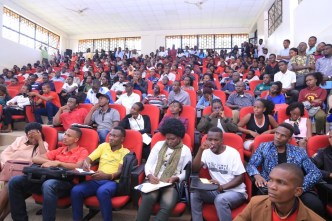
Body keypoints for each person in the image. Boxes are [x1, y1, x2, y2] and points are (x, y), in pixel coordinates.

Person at [8, 127, 89, 221]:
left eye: (68, 135)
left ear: (76, 139)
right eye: (65, 134)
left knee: (49, 184)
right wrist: (51, 162)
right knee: (15, 181)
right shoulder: (60, 150)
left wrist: (58, 163)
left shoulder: (82, 151)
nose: (64, 137)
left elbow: (78, 166)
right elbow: (36, 159)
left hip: (67, 183)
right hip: (47, 179)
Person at [246, 123, 325, 217]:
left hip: (296, 189)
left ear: (289, 139)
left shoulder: (298, 152)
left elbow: (315, 173)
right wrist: (257, 175)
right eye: (276, 133)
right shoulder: (264, 147)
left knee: (315, 205)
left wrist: (296, 188)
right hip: (271, 187)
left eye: (282, 135)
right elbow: (251, 165)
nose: (278, 137)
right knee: (262, 209)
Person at [136, 118, 192, 221]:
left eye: (173, 139)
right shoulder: (158, 145)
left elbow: (186, 172)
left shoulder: (186, 150)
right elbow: (148, 164)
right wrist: (149, 175)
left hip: (171, 183)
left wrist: (176, 178)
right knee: (147, 200)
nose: (169, 141)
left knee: (167, 205)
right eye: (167, 138)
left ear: (179, 137)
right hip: (154, 180)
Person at [71, 127, 130, 221]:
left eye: (115, 136)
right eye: (110, 135)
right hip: (97, 179)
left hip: (113, 181)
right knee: (76, 190)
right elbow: (89, 158)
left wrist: (107, 176)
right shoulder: (103, 146)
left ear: (122, 139)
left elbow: (120, 171)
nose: (111, 137)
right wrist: (86, 163)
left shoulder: (126, 152)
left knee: (102, 192)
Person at [191, 127, 247, 221]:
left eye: (216, 140)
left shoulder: (232, 153)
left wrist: (222, 187)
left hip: (236, 192)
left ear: (222, 141)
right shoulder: (205, 152)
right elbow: (194, 169)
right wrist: (200, 150)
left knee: (220, 199)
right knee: (195, 194)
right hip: (217, 190)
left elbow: (240, 178)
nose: (212, 142)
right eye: (210, 139)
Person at [234, 163, 324, 221]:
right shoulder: (255, 203)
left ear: (297, 191)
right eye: (270, 180)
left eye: (281, 182)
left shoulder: (312, 218)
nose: (272, 186)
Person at [0, 122, 48, 220]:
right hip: (10, 169)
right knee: (10, 189)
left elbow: (44, 158)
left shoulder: (43, 144)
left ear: (39, 133)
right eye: (30, 136)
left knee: (9, 187)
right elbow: (5, 153)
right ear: (26, 135)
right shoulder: (20, 140)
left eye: (35, 135)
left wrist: (39, 140)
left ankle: (2, 217)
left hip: (25, 174)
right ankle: (2, 217)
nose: (32, 139)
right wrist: (7, 164)